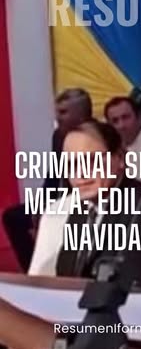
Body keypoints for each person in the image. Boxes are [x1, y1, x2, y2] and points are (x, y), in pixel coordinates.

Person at [28, 119, 141, 278]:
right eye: (71, 164)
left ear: (120, 158)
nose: (80, 173)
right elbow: (39, 279)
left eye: (90, 160)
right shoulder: (59, 212)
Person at [1, 88, 92, 271]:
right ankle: (33, 272)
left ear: (81, 115)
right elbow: (52, 178)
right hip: (60, 201)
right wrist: (40, 208)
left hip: (88, 202)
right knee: (13, 217)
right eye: (57, 112)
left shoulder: (97, 138)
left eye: (63, 112)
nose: (58, 118)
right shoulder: (58, 136)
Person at [104, 96, 141, 185]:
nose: (121, 125)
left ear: (139, 118)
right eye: (115, 121)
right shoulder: (111, 149)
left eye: (126, 117)